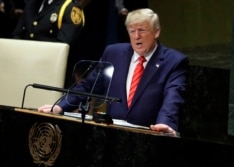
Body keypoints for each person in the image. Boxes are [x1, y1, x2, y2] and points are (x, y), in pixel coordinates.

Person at [38, 8, 189, 135]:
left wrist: (164, 124)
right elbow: (88, 86)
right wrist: (60, 106)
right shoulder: (114, 53)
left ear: (156, 32)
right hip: (113, 135)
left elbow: (173, 98)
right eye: (132, 31)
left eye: (142, 30)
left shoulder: (173, 62)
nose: (137, 36)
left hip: (149, 135)